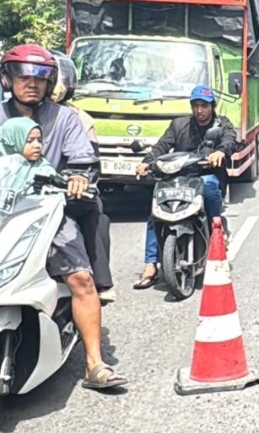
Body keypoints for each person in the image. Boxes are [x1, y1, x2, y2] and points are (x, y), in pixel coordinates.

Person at [0, 45, 127, 391]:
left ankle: (94, 364)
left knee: (82, 279)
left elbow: (83, 159)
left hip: (49, 213)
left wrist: (77, 178)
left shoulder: (64, 118)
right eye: (23, 76)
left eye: (40, 77)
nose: (32, 84)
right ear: (7, 78)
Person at [133, 85, 238, 289]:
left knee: (209, 185)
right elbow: (162, 146)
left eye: (204, 106)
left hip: (207, 175)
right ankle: (151, 264)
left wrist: (220, 153)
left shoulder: (222, 124)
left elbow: (229, 141)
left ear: (212, 107)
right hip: (180, 177)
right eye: (196, 106)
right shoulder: (179, 124)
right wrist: (147, 161)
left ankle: (216, 227)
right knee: (156, 209)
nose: (200, 110)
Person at [49, 51, 116, 303]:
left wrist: (78, 180)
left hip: (64, 193)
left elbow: (89, 163)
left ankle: (100, 283)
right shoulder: (13, 113)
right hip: (20, 195)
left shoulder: (76, 117)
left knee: (91, 209)